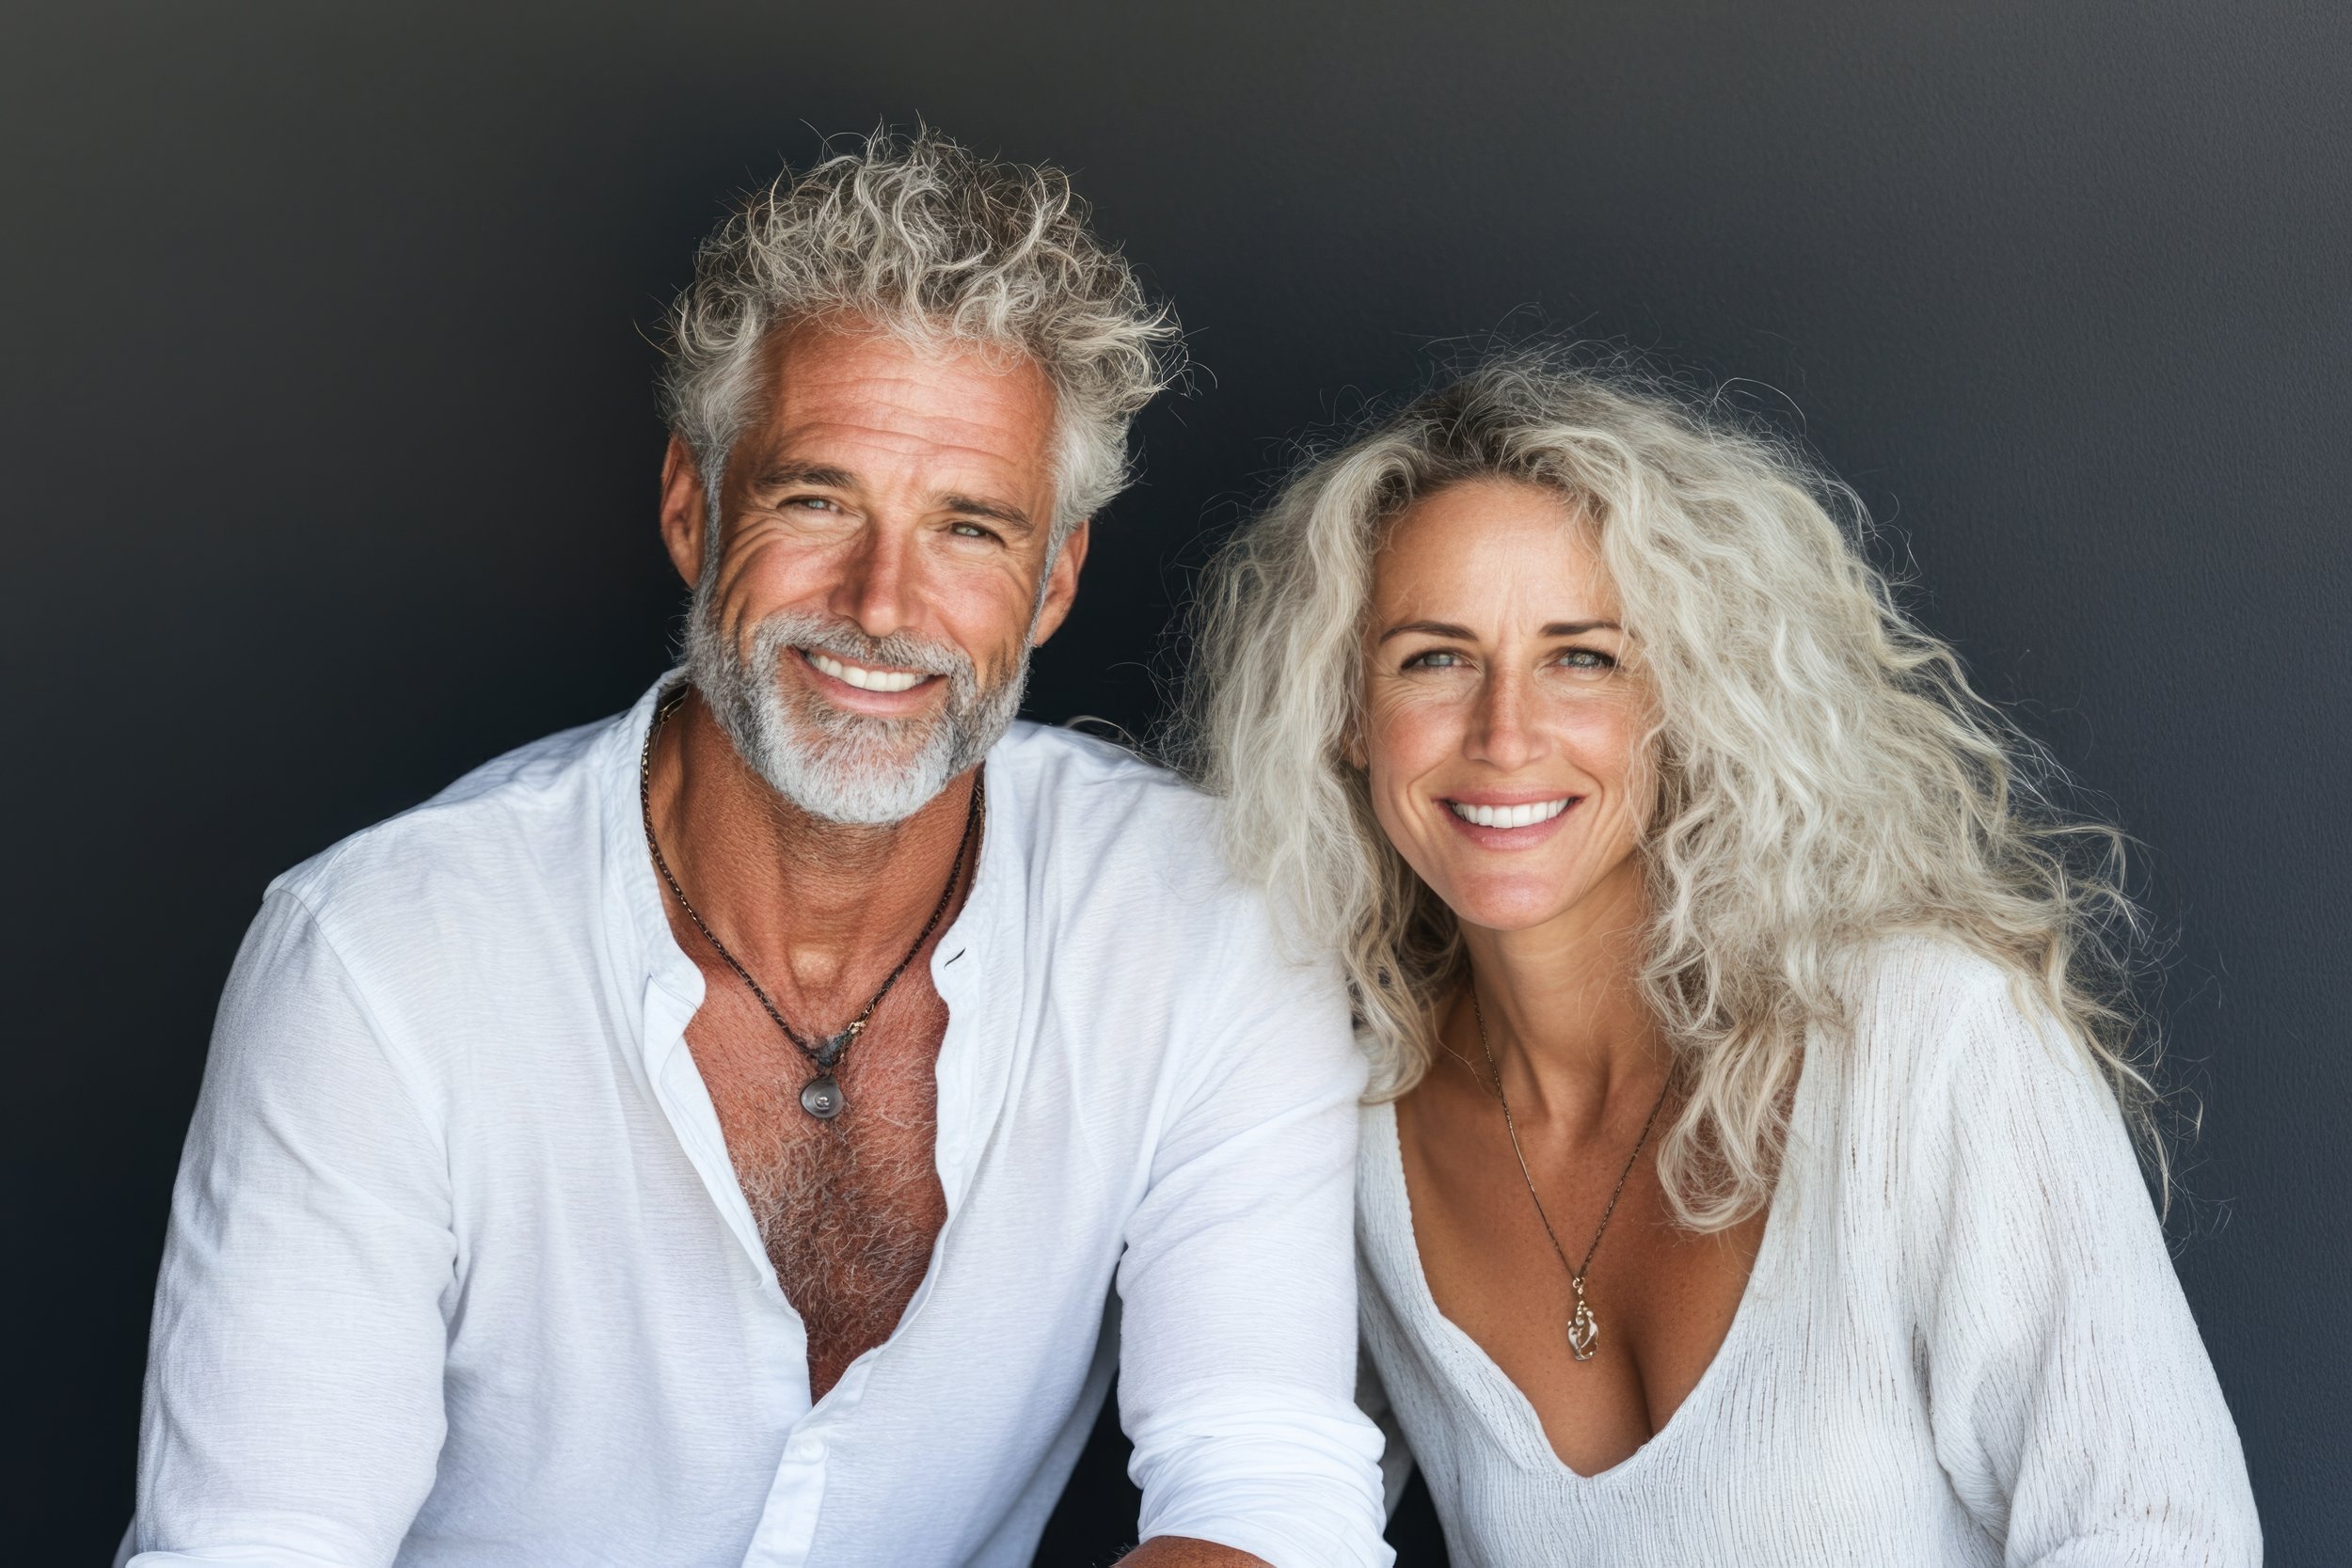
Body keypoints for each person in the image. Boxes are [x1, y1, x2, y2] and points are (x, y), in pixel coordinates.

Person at [128, 130, 1391, 1568]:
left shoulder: (1205, 918)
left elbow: (1263, 1485)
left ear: (1052, 582)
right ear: (692, 505)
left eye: (969, 527)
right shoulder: (378, 964)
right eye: (815, 499)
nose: (879, 601)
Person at [1182, 354, 2261, 1563]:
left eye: (1581, 655)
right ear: (1342, 710)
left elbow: (2162, 1535)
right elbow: (1262, 1501)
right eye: (1433, 658)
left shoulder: (1924, 1037)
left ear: (1689, 695)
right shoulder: (1333, 1105)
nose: (1504, 731)